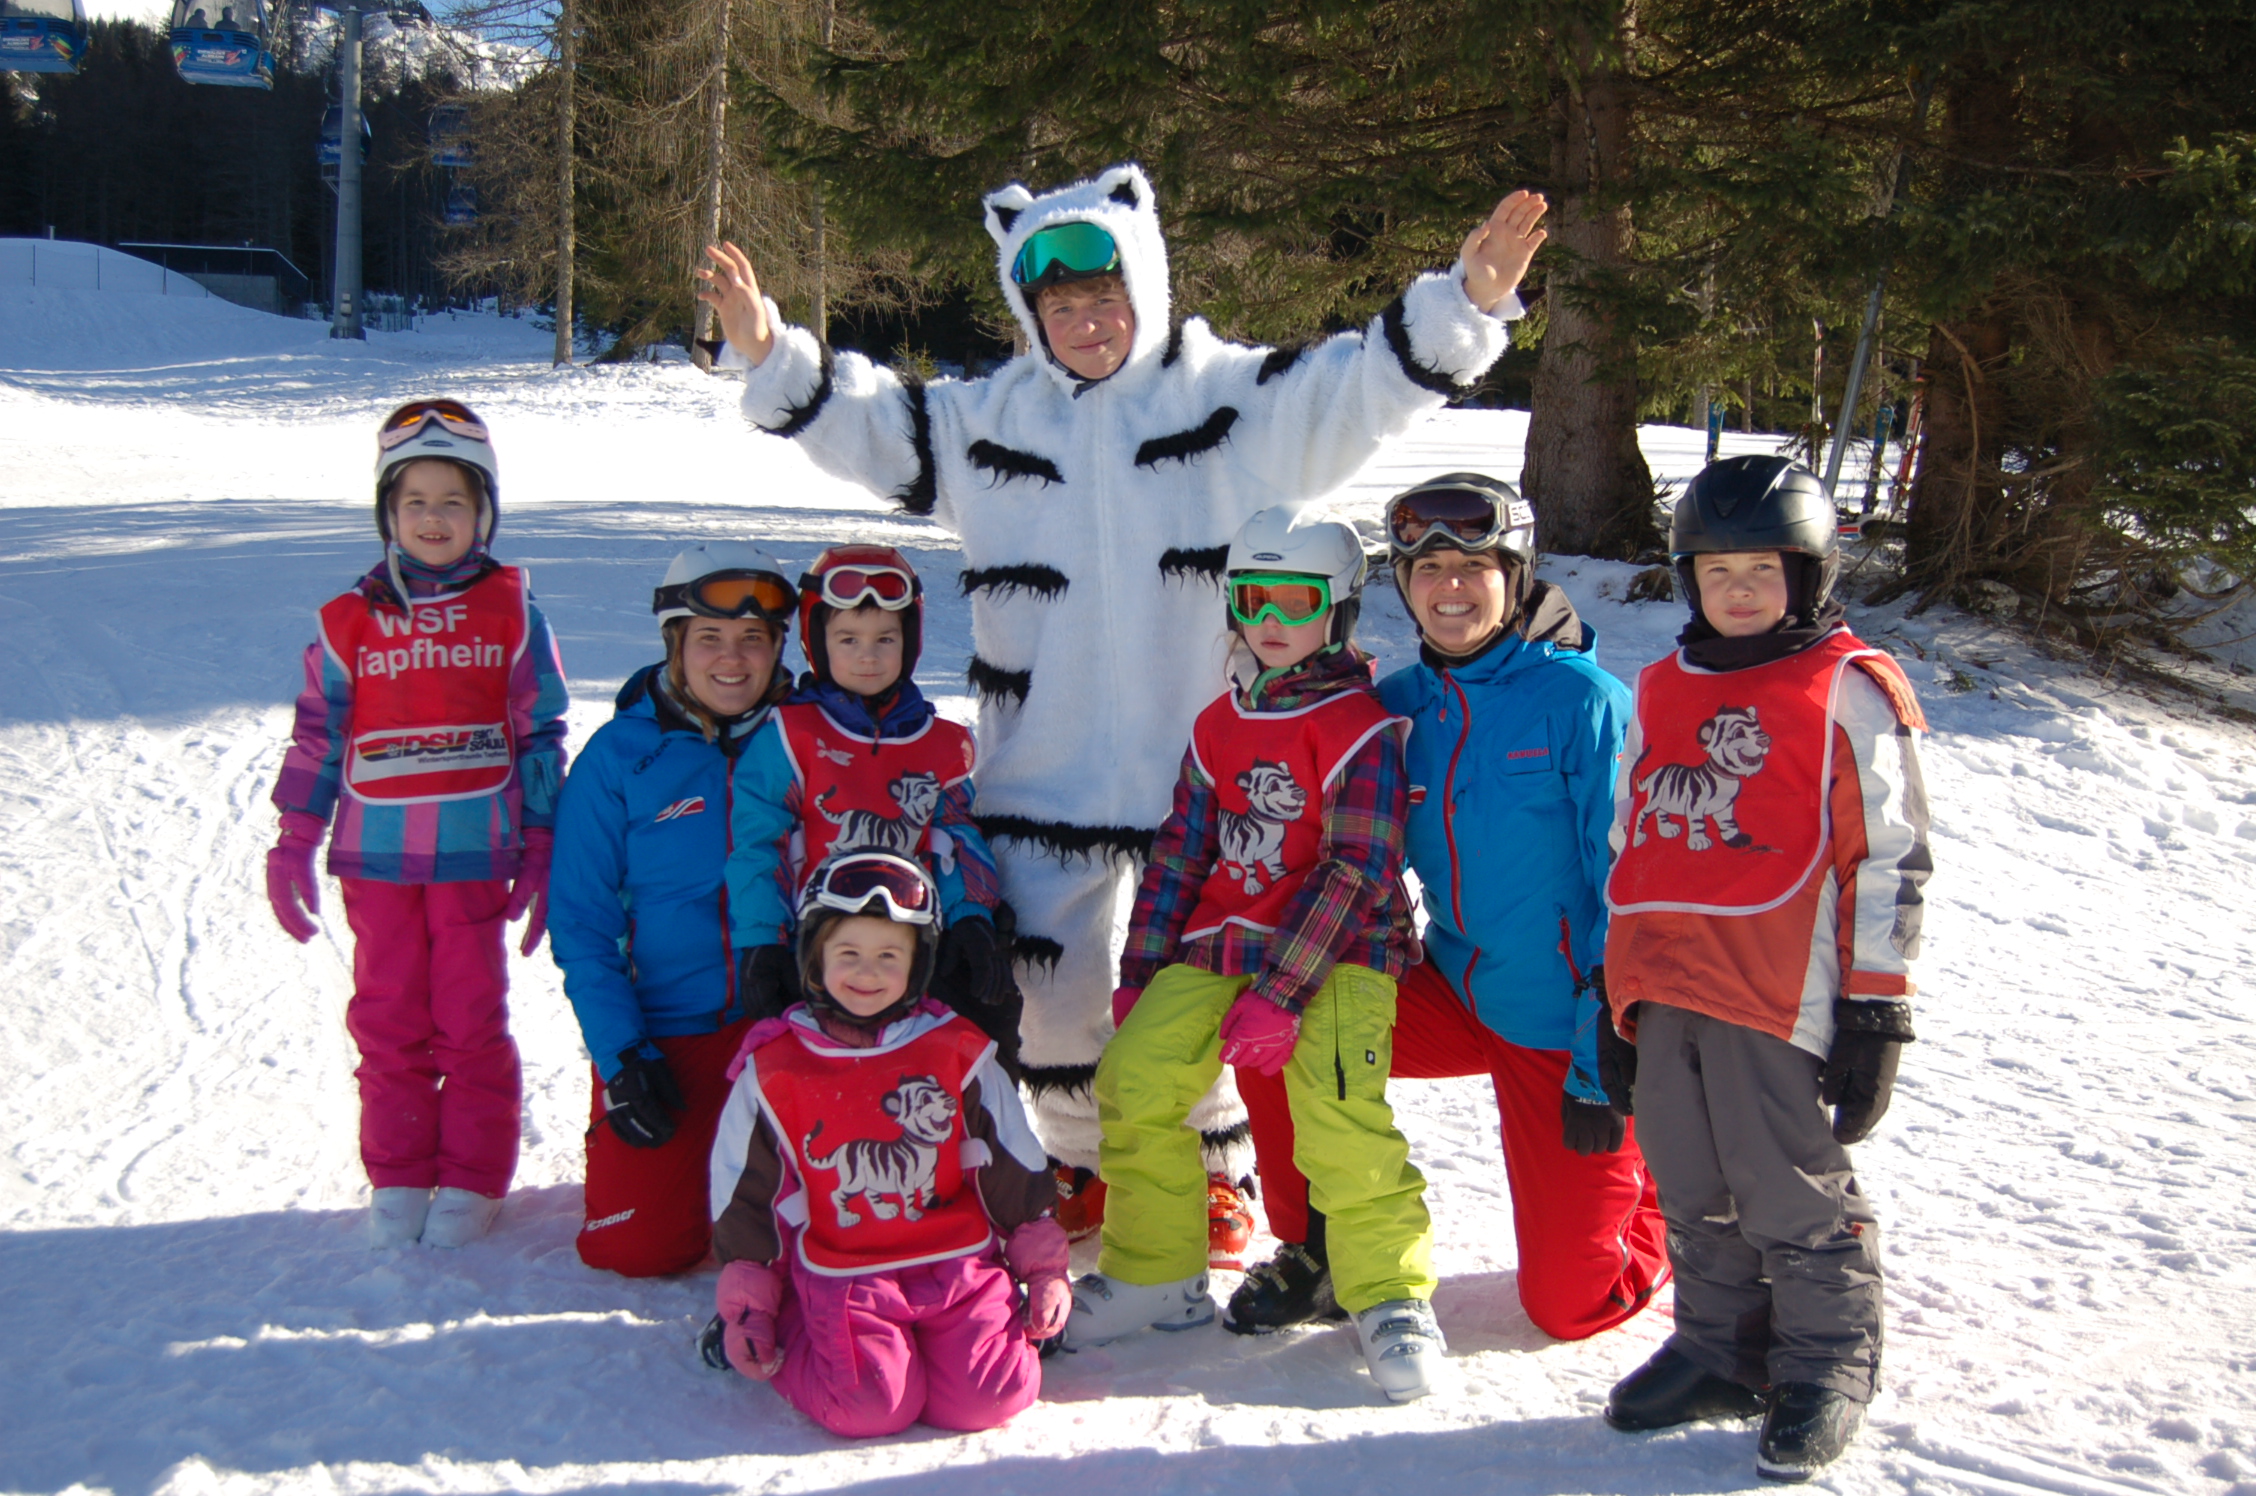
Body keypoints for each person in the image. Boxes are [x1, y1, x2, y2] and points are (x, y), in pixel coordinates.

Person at [698, 164, 1548, 1258]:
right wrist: (774, 358)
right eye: (1059, 307)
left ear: (1144, 285)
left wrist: (1463, 306)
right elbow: (873, 420)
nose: (1087, 324)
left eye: (1104, 301)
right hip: (1039, 774)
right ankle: (1085, 1158)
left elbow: (1352, 387)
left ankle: (1212, 1168)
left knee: (1198, 983)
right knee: (1049, 997)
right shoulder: (987, 422)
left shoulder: (1226, 401)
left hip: (1204, 776)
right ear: (1029, 313)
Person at [1227, 474, 1671, 1343]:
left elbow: (1629, 896)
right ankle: (1319, 1249)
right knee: (1276, 1031)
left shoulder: (1584, 703)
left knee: (1571, 1306)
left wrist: (1601, 1057)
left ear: (1517, 573)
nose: (1450, 586)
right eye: (1428, 567)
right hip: (1458, 989)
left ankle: (1677, 1197)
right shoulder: (1400, 708)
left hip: (1565, 1025)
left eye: (1475, 564)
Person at [1598, 455, 1930, 1481]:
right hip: (1662, 980)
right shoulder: (1662, 685)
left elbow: (1889, 852)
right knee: (1690, 1177)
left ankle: (1825, 1358)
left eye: (1762, 567)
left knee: (1782, 1179)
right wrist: (1606, 990)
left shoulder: (1848, 686)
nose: (1737, 589)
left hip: (1774, 981)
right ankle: (1719, 1345)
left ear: (1810, 572)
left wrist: (1878, 1009)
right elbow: (1630, 840)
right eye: (1715, 569)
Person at [1064, 508, 1443, 1401]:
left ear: (1337, 608)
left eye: (1296, 599)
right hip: (1221, 943)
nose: (1271, 618)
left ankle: (1387, 1291)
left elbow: (1357, 867)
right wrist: (1143, 971)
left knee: (1339, 1112)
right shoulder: (1217, 723)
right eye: (1252, 597)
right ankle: (1159, 1270)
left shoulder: (1358, 725)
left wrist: (1283, 990)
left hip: (1337, 951)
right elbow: (1181, 853)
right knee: (1134, 1078)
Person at [265, 399, 568, 1250]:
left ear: (484, 514)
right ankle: (398, 1169)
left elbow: (540, 729)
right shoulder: (348, 621)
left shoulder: (512, 610)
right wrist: (294, 835)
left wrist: (542, 841)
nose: (435, 519)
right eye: (415, 501)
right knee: (389, 1016)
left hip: (474, 856)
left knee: (470, 1020)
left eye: (454, 502)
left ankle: (473, 1176)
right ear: (388, 513)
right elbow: (320, 734)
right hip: (378, 858)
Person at [704, 851, 1069, 1437]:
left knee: (994, 1400)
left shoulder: (957, 1050)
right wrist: (751, 1306)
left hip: (957, 1264)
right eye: (848, 953)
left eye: (888, 956)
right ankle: (795, 1324)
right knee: (871, 1410)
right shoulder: (776, 1069)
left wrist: (1043, 1270)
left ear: (918, 965)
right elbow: (746, 1194)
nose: (867, 972)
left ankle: (980, 1333)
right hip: (848, 1272)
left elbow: (1012, 1163)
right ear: (814, 960)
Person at [547, 543, 798, 1277]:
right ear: (674, 645)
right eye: (708, 639)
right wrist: (622, 1054)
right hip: (669, 1037)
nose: (732, 659)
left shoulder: (808, 740)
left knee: (811, 1231)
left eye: (753, 639)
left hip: (788, 1024)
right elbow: (584, 926)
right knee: (639, 1248)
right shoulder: (619, 759)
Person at [723, 544, 1019, 1066]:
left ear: (910, 642)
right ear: (819, 644)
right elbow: (758, 842)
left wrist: (971, 916)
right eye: (848, 639)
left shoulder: (939, 742)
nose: (868, 655)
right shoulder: (791, 737)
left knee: (956, 1054)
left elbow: (955, 838)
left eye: (886, 638)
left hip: (913, 952)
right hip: (821, 955)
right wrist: (761, 940)